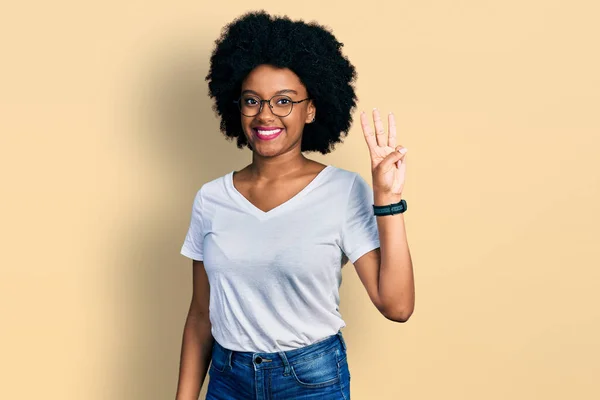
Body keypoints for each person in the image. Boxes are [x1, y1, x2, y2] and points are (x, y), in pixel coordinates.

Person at [175, 10, 415, 400]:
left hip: (310, 381)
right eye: (252, 100)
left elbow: (398, 305)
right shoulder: (211, 199)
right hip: (227, 380)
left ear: (311, 108)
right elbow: (201, 317)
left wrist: (387, 199)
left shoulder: (341, 190)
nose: (265, 114)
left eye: (284, 101)